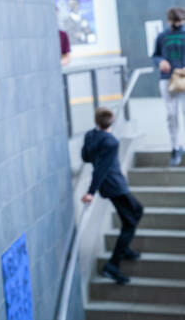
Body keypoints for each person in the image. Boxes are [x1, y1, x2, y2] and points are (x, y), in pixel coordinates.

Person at [81, 107, 144, 285]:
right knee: (131, 222)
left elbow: (86, 157)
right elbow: (101, 169)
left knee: (137, 210)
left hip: (112, 186)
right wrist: (90, 193)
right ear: (113, 121)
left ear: (96, 121)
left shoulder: (91, 135)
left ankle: (124, 249)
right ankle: (112, 265)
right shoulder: (111, 142)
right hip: (115, 185)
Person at [151, 6, 185, 166]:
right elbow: (155, 55)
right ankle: (175, 147)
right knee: (171, 115)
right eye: (175, 21)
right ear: (169, 20)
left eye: (180, 21)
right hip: (167, 79)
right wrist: (161, 62)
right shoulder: (162, 36)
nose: (178, 24)